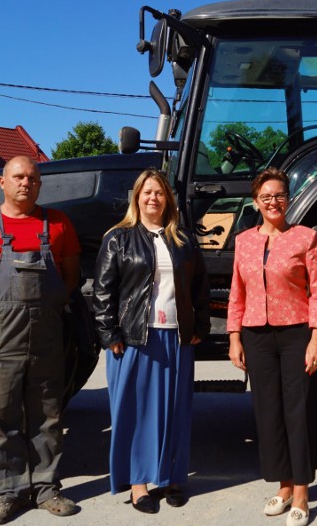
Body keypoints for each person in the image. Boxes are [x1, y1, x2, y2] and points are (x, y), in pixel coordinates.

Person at [0, 156, 81, 525]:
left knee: (47, 414)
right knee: (4, 415)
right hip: (1, 336)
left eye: (32, 178)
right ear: (2, 182)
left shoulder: (57, 223)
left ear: (40, 184)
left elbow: (71, 276)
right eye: (18, 177)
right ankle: (10, 492)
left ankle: (45, 488)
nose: (25, 183)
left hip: (47, 335)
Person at [92, 168, 210, 514]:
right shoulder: (118, 238)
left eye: (159, 193)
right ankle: (139, 484)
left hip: (176, 337)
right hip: (134, 339)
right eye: (147, 193)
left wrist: (200, 325)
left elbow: (200, 288)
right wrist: (109, 334)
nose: (153, 198)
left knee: (175, 410)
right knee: (136, 412)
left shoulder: (183, 240)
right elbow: (103, 291)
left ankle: (172, 477)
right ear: (137, 197)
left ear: (167, 199)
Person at [227, 168, 317, 526]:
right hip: (256, 334)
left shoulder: (305, 238)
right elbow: (237, 292)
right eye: (266, 196)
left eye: (280, 195)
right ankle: (284, 485)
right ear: (256, 202)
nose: (274, 202)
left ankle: (302, 491)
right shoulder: (243, 241)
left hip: (296, 332)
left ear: (289, 199)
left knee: (298, 411)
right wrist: (234, 337)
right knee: (268, 411)